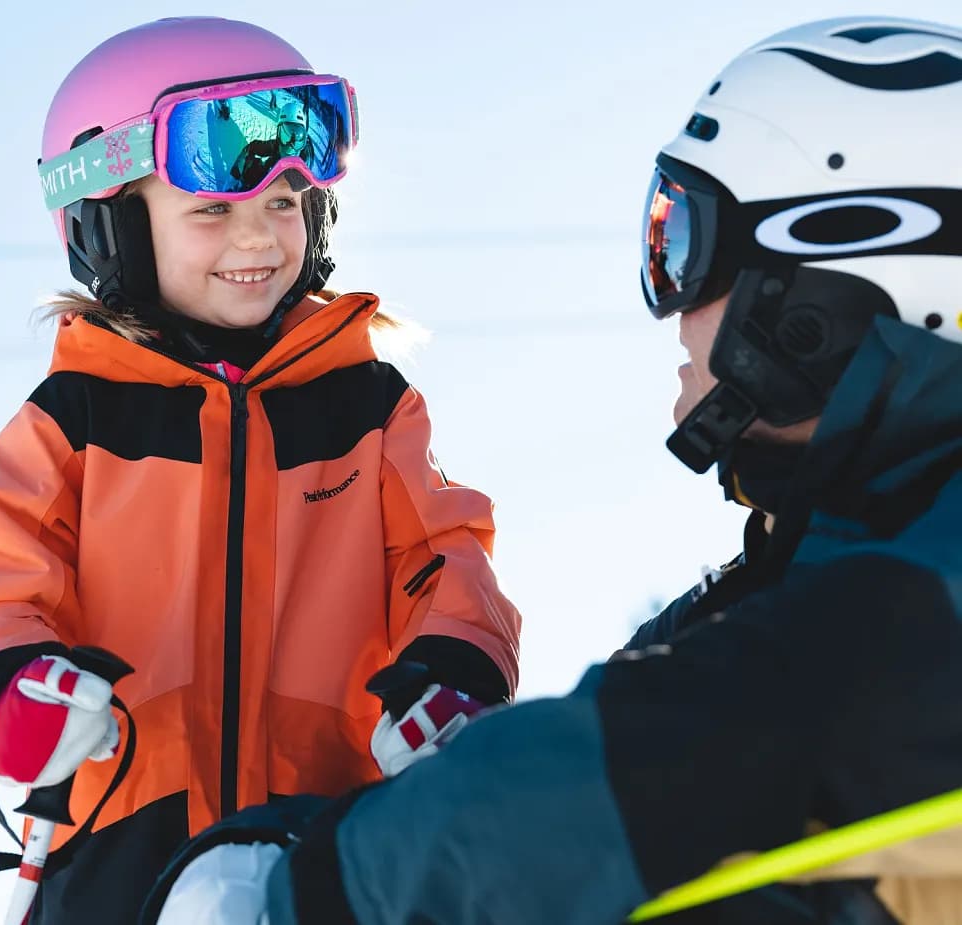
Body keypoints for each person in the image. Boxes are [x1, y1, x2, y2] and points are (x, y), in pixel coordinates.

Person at [150, 15, 962, 924]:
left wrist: (316, 883)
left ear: (825, 289)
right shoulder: (800, 573)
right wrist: (314, 834)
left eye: (681, 244)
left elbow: (658, 757)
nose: (670, 310)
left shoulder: (904, 605)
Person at [0, 16, 523, 924]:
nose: (258, 239)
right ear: (112, 220)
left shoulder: (366, 406)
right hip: (122, 850)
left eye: (284, 203)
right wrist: (12, 684)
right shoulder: (75, 423)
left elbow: (445, 558)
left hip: (330, 832)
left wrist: (452, 671)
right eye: (212, 210)